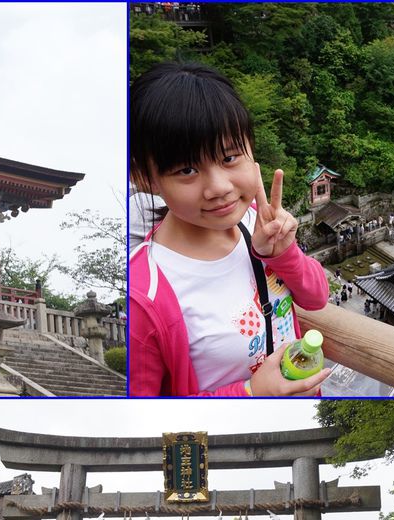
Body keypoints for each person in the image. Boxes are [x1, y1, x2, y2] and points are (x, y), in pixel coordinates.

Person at [128, 61, 330, 397]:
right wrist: (251, 392)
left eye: (230, 158)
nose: (219, 187)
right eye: (187, 170)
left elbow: (317, 297)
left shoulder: (255, 219)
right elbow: (145, 413)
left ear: (252, 150)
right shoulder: (145, 295)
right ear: (146, 178)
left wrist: (282, 253)